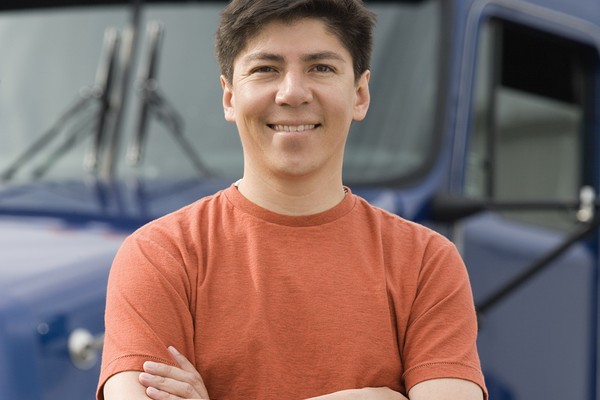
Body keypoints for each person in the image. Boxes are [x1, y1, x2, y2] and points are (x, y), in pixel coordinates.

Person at [98, 0, 488, 399]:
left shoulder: (426, 262)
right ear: (230, 96)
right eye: (266, 69)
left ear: (359, 94)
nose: (293, 92)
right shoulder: (160, 255)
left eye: (321, 68)